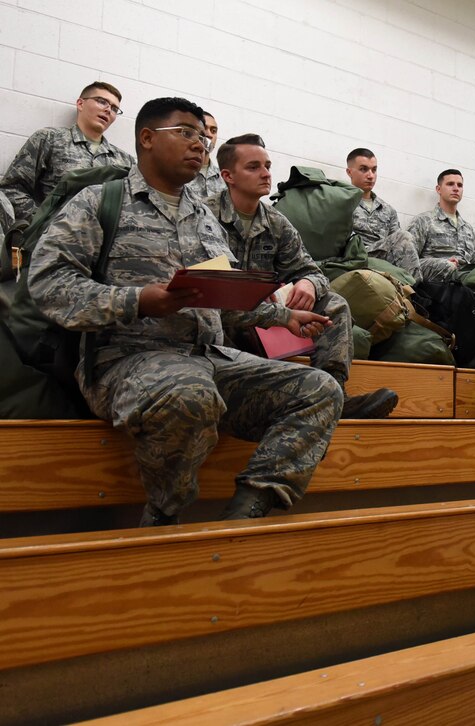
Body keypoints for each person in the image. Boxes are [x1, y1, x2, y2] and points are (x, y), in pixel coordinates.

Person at [28, 96, 344, 526]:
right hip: (125, 360)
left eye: (203, 137)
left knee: (320, 388)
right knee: (190, 391)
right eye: (186, 133)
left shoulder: (204, 218)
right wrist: (137, 300)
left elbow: (220, 298)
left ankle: (252, 504)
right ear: (147, 138)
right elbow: (48, 283)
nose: (200, 144)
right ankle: (164, 514)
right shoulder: (100, 201)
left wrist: (282, 317)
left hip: (209, 357)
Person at [206, 133, 398, 419]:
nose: (265, 174)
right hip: (226, 323)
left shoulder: (276, 222)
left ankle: (334, 393)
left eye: (267, 166)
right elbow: (213, 292)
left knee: (334, 304)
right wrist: (273, 307)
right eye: (253, 167)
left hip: (267, 319)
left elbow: (310, 269)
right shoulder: (205, 216)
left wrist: (308, 283)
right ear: (228, 176)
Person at [0, 81, 135, 226]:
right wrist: (42, 224)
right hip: (51, 237)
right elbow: (12, 188)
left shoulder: (125, 161)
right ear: (80, 104)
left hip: (103, 238)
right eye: (102, 102)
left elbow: (134, 208)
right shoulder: (50, 139)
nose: (108, 110)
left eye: (114, 108)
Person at [346, 147, 421, 278]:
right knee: (403, 236)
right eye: (363, 169)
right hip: (355, 257)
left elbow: (398, 245)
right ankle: (415, 285)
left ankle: (413, 284)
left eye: (374, 170)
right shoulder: (342, 201)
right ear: (349, 172)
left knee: (404, 238)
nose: (370, 175)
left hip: (383, 260)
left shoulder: (387, 209)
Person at [407, 168, 475, 281]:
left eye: (460, 185)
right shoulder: (424, 221)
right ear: (438, 189)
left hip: (464, 283)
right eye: (450, 184)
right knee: (449, 266)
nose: (456, 188)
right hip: (435, 283)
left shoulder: (467, 229)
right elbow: (408, 261)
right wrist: (443, 264)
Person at [187, 111, 226, 199]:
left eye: (213, 131)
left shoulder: (224, 177)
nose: (209, 135)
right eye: (204, 129)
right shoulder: (180, 172)